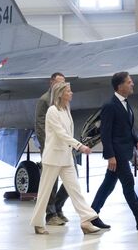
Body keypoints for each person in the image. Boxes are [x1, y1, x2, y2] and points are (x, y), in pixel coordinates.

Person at [30, 82, 101, 235]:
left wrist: (75, 147)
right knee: (44, 192)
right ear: (61, 94)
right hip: (53, 158)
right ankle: (37, 223)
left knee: (75, 190)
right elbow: (61, 134)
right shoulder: (52, 111)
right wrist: (79, 146)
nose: (72, 93)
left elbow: (67, 133)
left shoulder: (66, 110)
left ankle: (86, 221)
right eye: (69, 91)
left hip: (66, 157)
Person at [90, 71, 138, 231]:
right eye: (129, 82)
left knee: (108, 185)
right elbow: (105, 133)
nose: (132, 84)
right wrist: (110, 156)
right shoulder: (110, 106)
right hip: (117, 154)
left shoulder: (125, 103)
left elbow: (128, 128)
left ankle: (91, 215)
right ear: (120, 86)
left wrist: (137, 141)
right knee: (129, 184)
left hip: (124, 151)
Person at [35, 72, 70, 226]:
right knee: (51, 181)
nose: (61, 86)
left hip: (65, 147)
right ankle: (50, 215)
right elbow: (40, 126)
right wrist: (47, 147)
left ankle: (58, 206)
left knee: (71, 181)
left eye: (64, 83)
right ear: (51, 83)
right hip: (51, 148)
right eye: (58, 83)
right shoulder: (44, 100)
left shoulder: (64, 101)